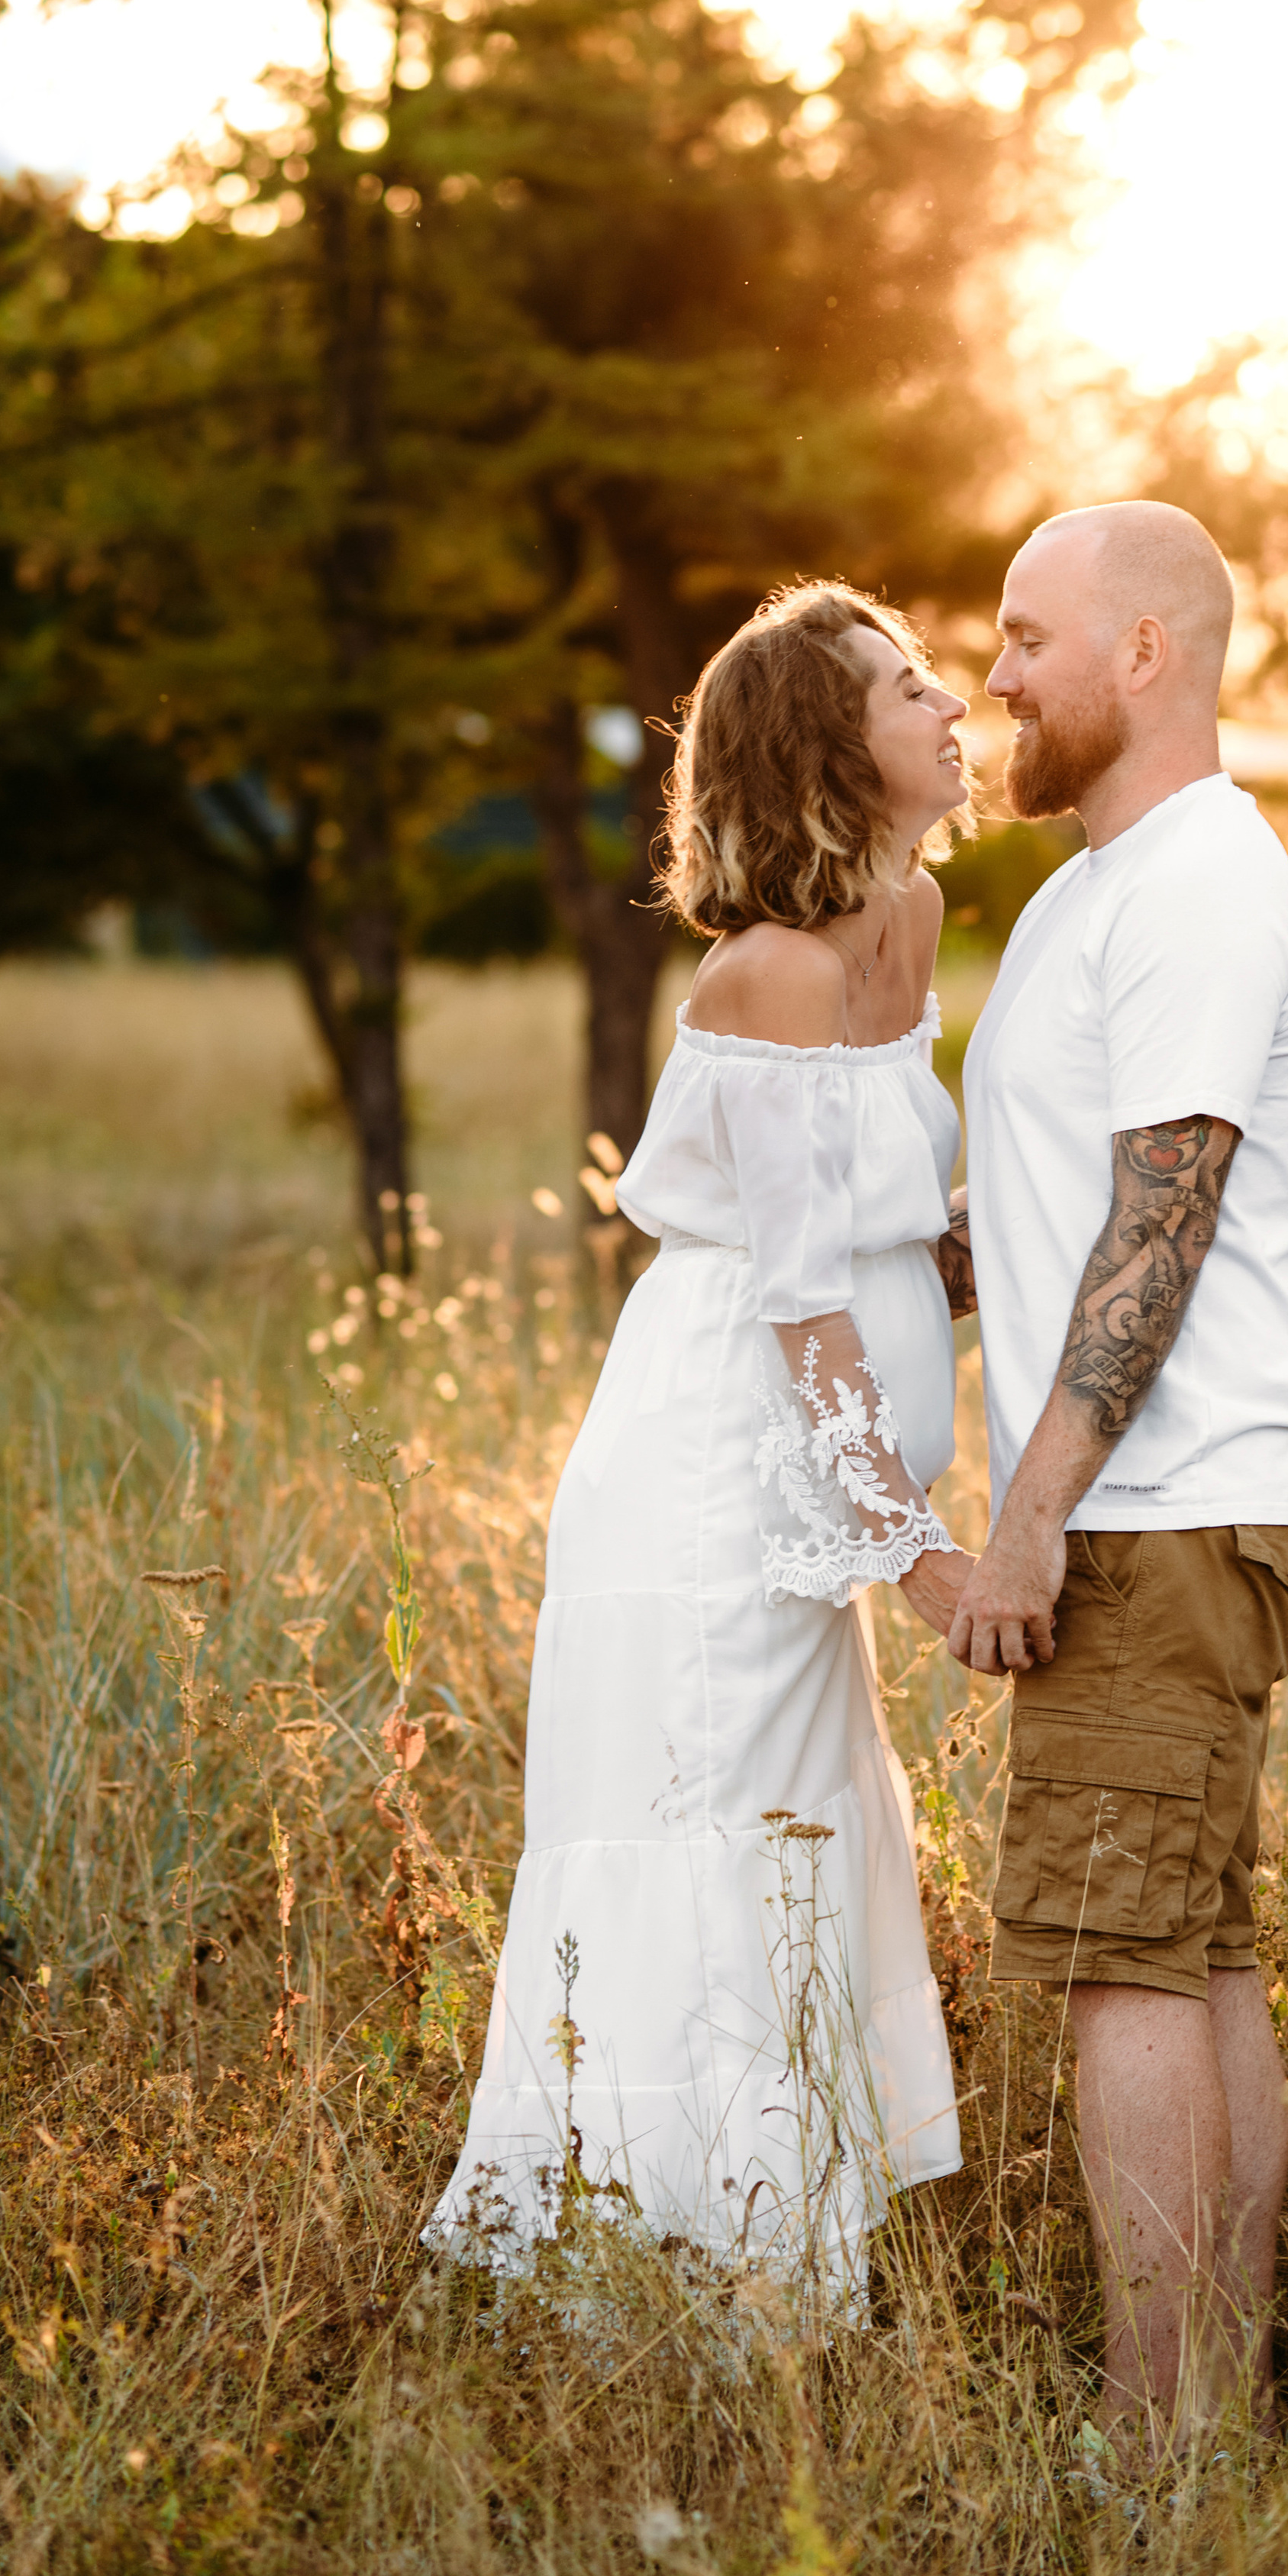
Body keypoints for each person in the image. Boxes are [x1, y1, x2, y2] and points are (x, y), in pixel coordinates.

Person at [428, 581, 976, 2283]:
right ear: (827, 743)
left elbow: (887, 1230)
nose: (952, 701)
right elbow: (799, 1302)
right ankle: (665, 2262)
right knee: (711, 1817)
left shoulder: (919, 913)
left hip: (806, 1459)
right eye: (907, 689)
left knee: (806, 1820)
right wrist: (914, 1551)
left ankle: (786, 2241)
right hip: (714, 1471)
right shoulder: (771, 972)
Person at [941, 501, 1288, 2447]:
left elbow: (1152, 1234)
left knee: (1116, 1966)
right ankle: (1214, 2430)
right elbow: (1030, 1210)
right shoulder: (1083, 892)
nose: (992, 672)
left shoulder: (1192, 883)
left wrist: (1026, 1521)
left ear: (1144, 655)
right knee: (1188, 1954)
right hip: (1161, 1504)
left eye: (1025, 636)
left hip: (1149, 1513)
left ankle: (1156, 2449)